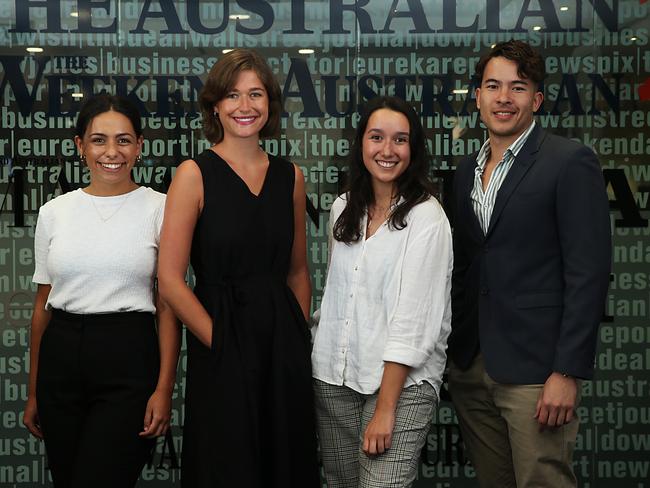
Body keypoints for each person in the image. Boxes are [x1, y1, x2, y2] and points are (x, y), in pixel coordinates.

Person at [447, 40, 611, 488]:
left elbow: (588, 274)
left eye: (517, 88)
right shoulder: (465, 170)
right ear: (477, 96)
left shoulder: (568, 161)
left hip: (537, 372)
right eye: (493, 86)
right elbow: (466, 265)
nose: (504, 98)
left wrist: (567, 371)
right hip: (472, 364)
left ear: (535, 100)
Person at [157, 48, 320, 487]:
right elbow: (170, 282)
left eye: (256, 94)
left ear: (270, 103)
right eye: (232, 95)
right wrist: (220, 341)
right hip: (220, 340)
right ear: (215, 106)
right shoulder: (193, 174)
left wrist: (295, 336)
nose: (245, 106)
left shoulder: (291, 177)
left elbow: (298, 272)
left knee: (284, 462)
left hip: (281, 345)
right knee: (226, 464)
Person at [23, 94, 181, 488]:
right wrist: (33, 390)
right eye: (98, 140)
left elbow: (166, 306)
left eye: (124, 140)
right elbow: (42, 306)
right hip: (61, 358)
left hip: (128, 356)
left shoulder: (161, 208)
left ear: (140, 146)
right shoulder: (54, 211)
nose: (112, 152)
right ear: (80, 146)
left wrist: (164, 389)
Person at [311, 96, 453, 488]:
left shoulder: (427, 217)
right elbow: (339, 298)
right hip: (333, 379)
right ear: (361, 145)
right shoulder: (343, 207)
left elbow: (413, 320)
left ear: (414, 149)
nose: (387, 150)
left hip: (400, 386)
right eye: (377, 137)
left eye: (400, 140)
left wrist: (386, 410)